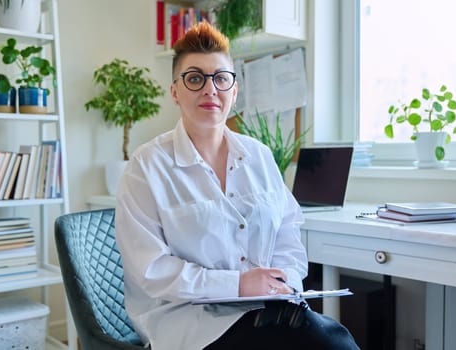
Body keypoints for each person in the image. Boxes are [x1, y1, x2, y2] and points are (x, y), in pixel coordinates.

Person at [115, 21, 359, 350]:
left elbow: (287, 231)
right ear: (175, 91)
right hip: (190, 322)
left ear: (234, 91)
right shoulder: (146, 166)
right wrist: (238, 284)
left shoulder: (258, 156)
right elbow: (153, 270)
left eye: (221, 78)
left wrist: (283, 278)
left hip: (267, 308)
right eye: (195, 78)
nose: (210, 88)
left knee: (330, 339)